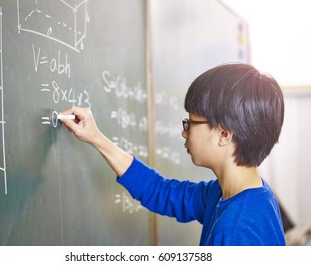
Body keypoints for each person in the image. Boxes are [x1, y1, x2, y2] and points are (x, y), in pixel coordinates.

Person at [59, 63, 286, 246]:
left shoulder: (236, 229)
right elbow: (161, 191)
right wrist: (96, 138)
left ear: (224, 134)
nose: (184, 132)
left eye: (191, 123)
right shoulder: (236, 194)